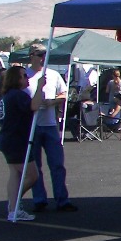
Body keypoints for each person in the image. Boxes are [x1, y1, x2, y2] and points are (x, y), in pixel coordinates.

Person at [25, 43, 78, 212]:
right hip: (31, 125)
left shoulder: (53, 74)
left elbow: (64, 94)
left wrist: (52, 102)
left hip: (49, 124)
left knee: (57, 164)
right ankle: (39, 199)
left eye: (44, 55)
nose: (42, 58)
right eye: (39, 55)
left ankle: (62, 199)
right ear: (31, 55)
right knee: (35, 166)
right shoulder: (25, 75)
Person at [0, 66, 46, 221]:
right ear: (16, 79)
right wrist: (39, 87)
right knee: (32, 176)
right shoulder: (17, 95)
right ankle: (14, 204)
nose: (27, 78)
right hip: (16, 141)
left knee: (15, 175)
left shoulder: (8, 95)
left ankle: (13, 207)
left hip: (8, 139)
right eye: (24, 76)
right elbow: (34, 105)